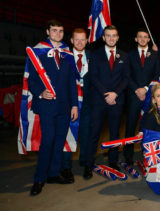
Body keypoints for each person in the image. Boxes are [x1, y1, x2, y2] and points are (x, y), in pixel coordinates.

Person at [28, 20, 78, 195]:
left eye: (61, 31)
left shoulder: (67, 53)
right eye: (54, 30)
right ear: (47, 32)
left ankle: (54, 174)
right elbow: (31, 80)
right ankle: (39, 178)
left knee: (59, 142)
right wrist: (41, 92)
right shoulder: (37, 52)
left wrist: (74, 105)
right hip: (47, 106)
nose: (58, 33)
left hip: (64, 106)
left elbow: (72, 82)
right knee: (47, 141)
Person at [83, 25, 130, 179]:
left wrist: (115, 94)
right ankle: (88, 163)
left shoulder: (124, 55)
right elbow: (93, 77)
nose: (111, 38)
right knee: (94, 132)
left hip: (117, 100)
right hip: (99, 100)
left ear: (117, 37)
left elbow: (126, 78)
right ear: (103, 38)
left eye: (114, 35)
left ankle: (113, 161)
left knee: (115, 133)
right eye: (108, 35)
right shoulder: (95, 55)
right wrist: (106, 94)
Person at [124, 28, 160, 166]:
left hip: (150, 96)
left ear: (148, 39)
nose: (143, 39)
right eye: (140, 37)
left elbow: (157, 74)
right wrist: (137, 90)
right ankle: (128, 156)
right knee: (130, 126)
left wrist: (145, 89)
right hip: (133, 96)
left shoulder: (155, 55)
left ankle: (149, 154)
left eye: (145, 37)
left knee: (149, 126)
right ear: (136, 39)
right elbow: (126, 75)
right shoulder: (129, 55)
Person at [61, 28, 91, 182]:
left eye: (83, 39)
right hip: (69, 103)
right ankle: (66, 166)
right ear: (71, 41)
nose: (80, 42)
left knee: (86, 134)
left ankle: (86, 163)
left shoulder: (92, 56)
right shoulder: (64, 56)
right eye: (77, 39)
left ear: (87, 41)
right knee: (68, 135)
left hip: (87, 103)